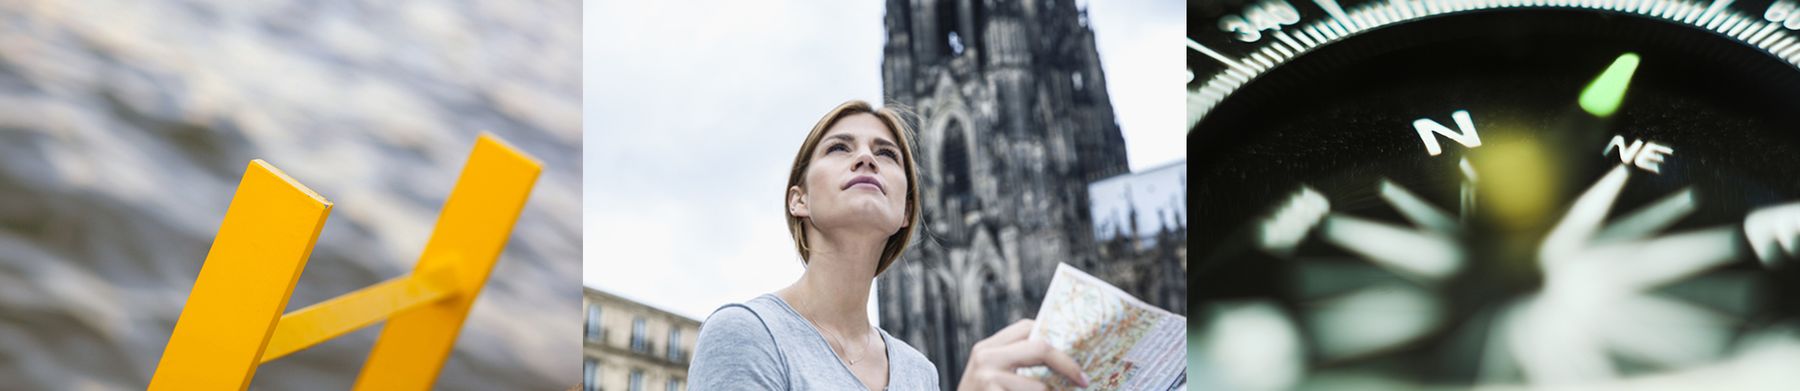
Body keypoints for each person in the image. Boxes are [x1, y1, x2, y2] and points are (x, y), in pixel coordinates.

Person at [688, 100, 1090, 390]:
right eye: (840, 147)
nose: (866, 157)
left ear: (904, 213)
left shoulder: (919, 373)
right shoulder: (746, 333)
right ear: (799, 199)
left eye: (886, 154)